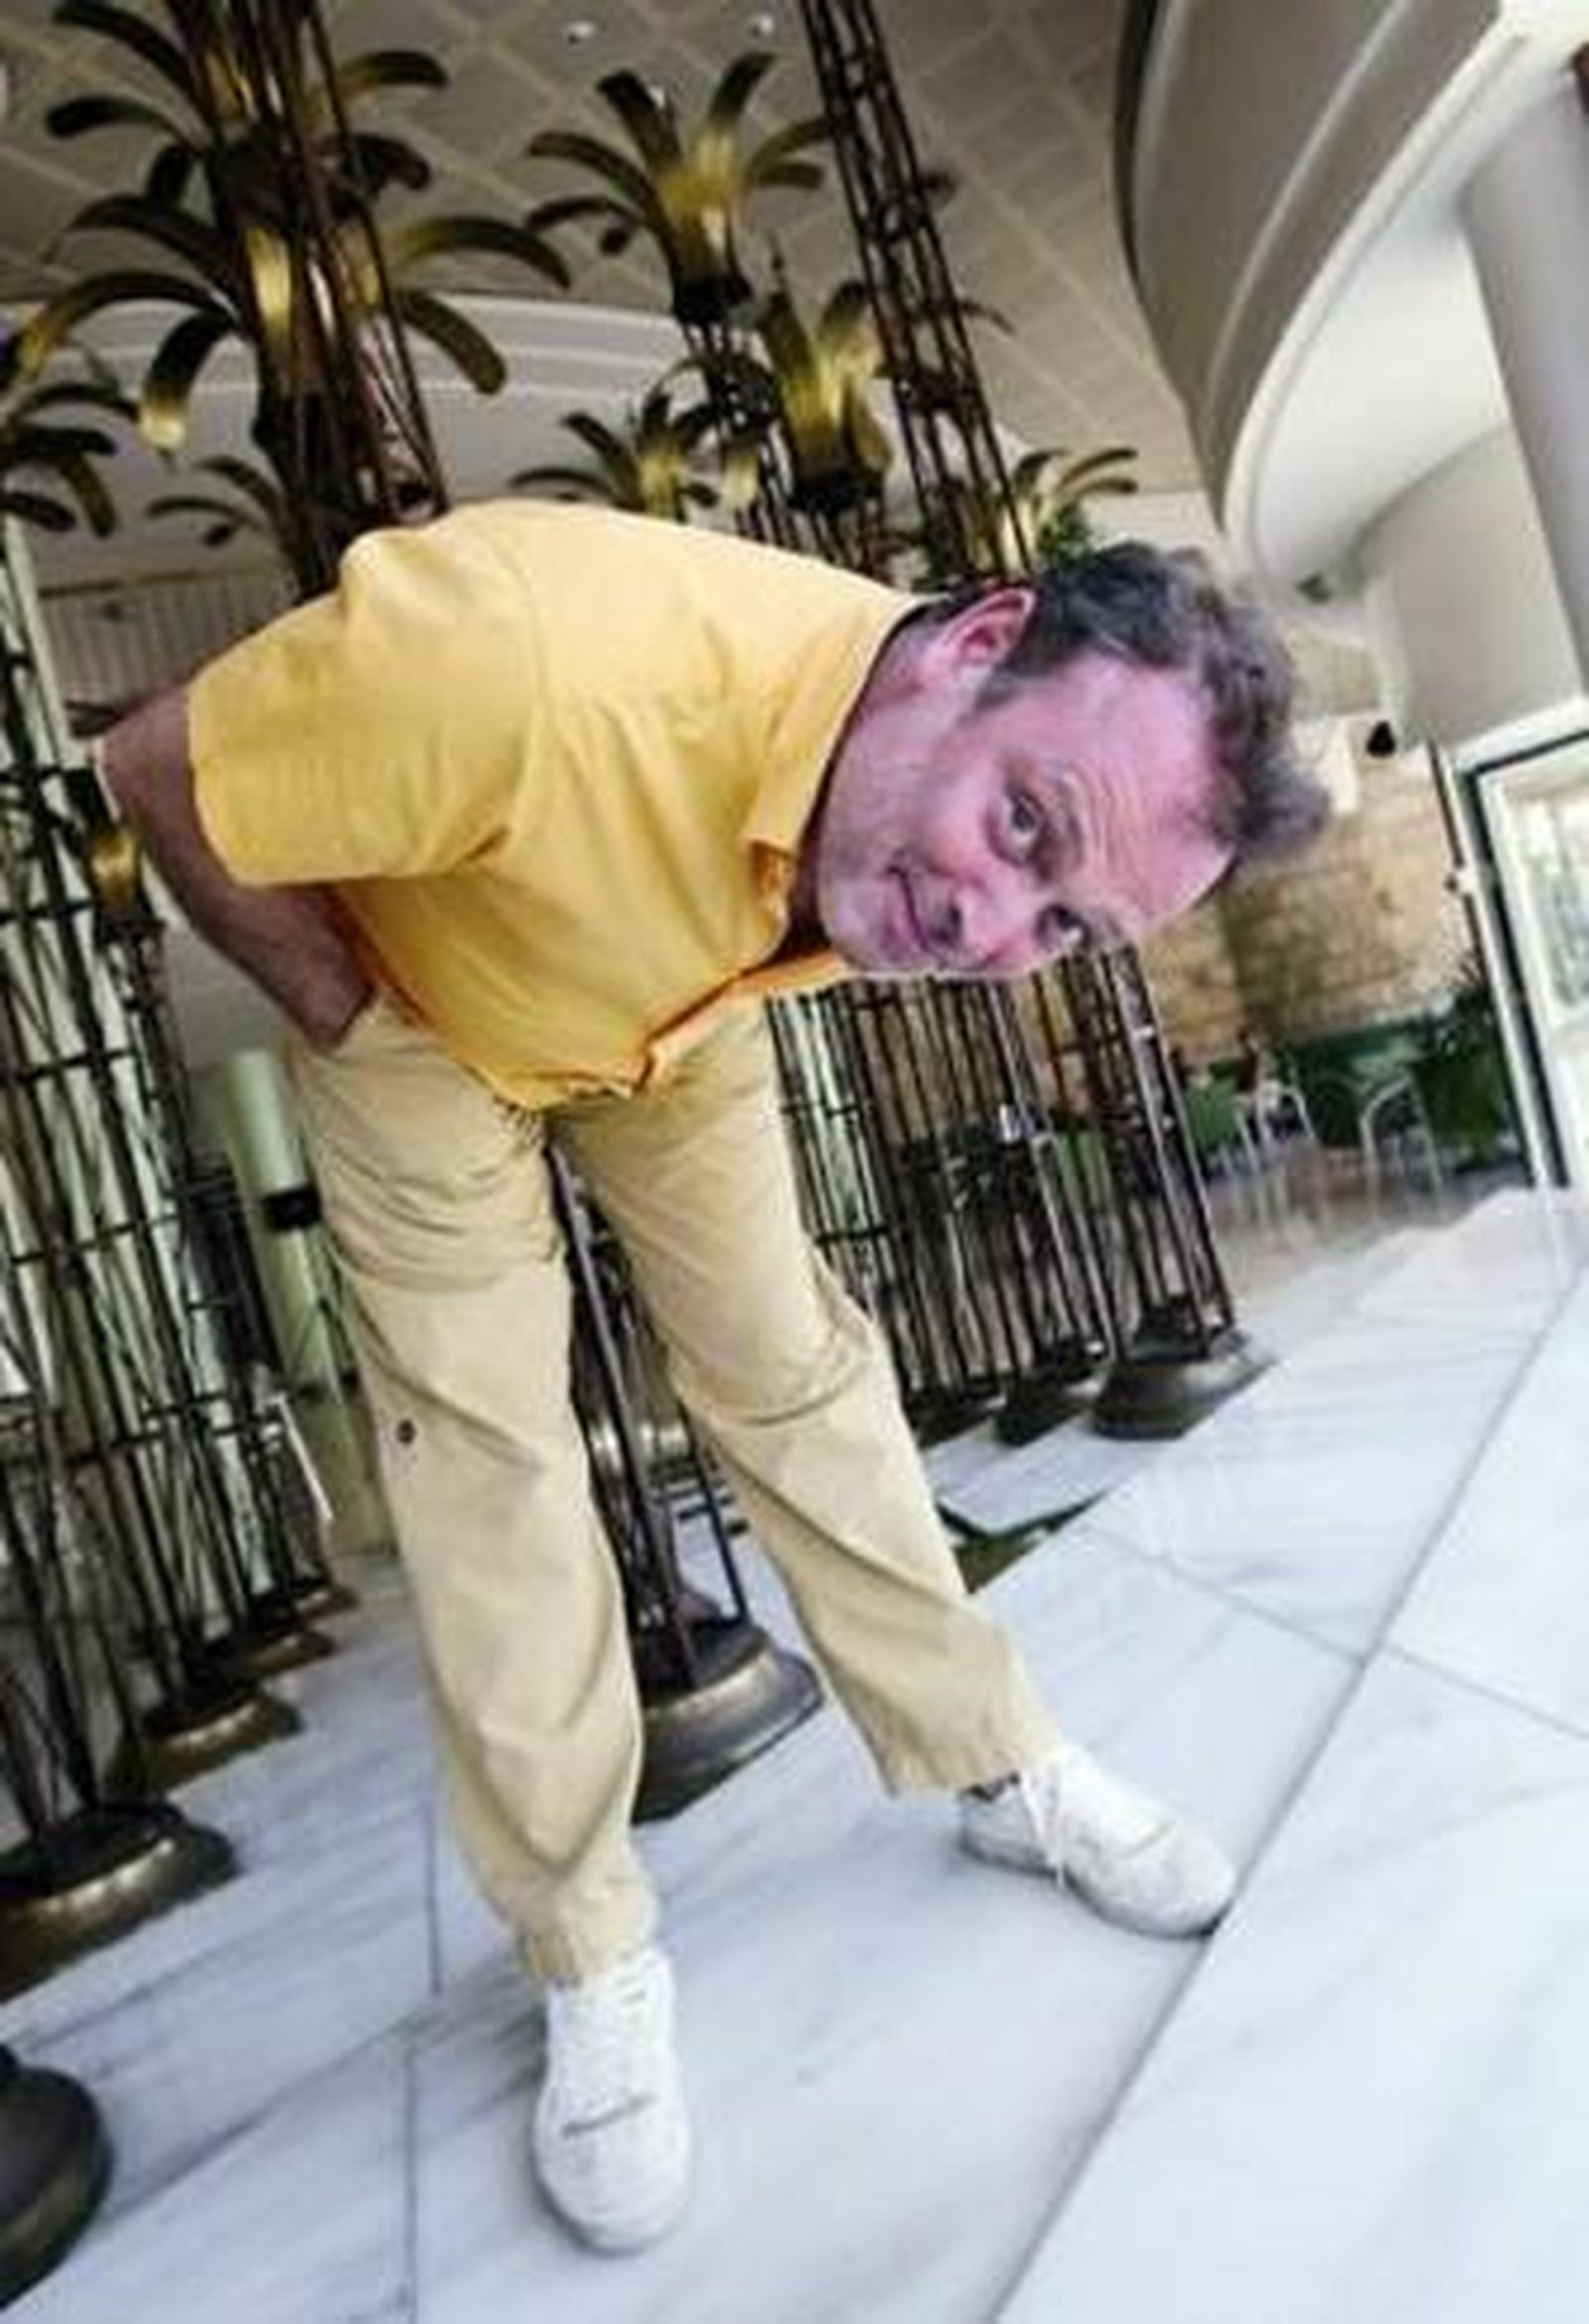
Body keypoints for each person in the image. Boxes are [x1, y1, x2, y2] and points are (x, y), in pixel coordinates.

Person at [100, 503, 1327, 2256]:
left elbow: (953, 879)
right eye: (1023, 829)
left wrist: (980, 858)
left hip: (679, 994)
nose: (988, 934)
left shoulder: (894, 768)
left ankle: (998, 1758)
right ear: (974, 645)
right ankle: (590, 1947)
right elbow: (161, 765)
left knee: (798, 1368)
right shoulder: (515, 660)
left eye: (1061, 928)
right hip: (423, 1013)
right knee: (491, 1460)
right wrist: (341, 1004)